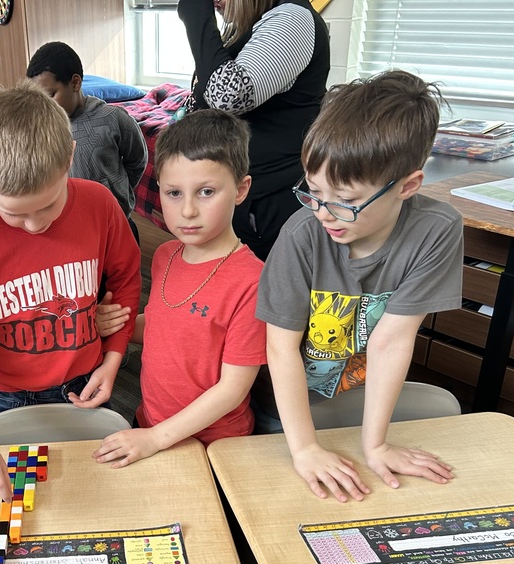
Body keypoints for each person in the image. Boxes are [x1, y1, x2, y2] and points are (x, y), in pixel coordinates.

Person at [256, 69, 464, 503]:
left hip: (361, 403)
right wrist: (306, 448)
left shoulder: (437, 230)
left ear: (407, 185)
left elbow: (391, 341)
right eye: (313, 191)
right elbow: (279, 349)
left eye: (347, 201)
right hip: (286, 410)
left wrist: (376, 445)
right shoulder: (301, 235)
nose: (325, 212)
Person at [0, 81, 142, 501]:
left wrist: (113, 358)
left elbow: (126, 279)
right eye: (14, 213)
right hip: (8, 398)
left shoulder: (99, 203)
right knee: (24, 505)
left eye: (48, 205)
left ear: (70, 157)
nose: (35, 225)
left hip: (88, 379)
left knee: (95, 497)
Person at [93, 109, 265, 468]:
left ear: (241, 189)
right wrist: (116, 323)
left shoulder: (252, 281)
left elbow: (233, 389)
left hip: (214, 448)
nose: (187, 210)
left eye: (206, 192)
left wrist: (156, 438)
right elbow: (165, 325)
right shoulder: (166, 254)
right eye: (173, 193)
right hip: (151, 424)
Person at [177, 0, 329, 260]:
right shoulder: (258, 24)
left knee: (265, 294)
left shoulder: (294, 18)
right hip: (244, 199)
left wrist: (195, 12)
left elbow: (227, 96)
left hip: (267, 206)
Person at [26, 41, 147, 240]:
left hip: (118, 225)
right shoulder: (42, 128)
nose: (45, 106)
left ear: (75, 83)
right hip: (74, 232)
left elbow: (137, 160)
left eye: (50, 95)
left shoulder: (113, 118)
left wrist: (118, 188)